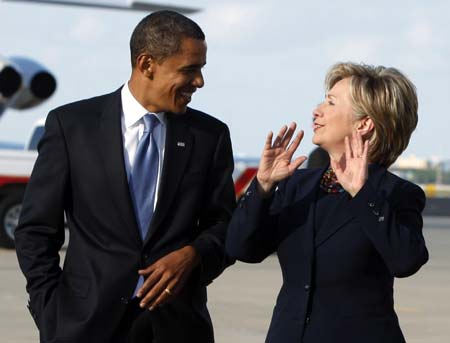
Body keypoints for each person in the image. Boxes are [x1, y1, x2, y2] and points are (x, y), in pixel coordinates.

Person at [15, 10, 236, 343]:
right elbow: (35, 229)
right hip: (84, 327)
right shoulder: (72, 127)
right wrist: (50, 310)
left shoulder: (209, 136)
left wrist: (193, 255)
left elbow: (225, 225)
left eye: (201, 70)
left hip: (176, 328)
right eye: (190, 70)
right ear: (147, 64)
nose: (199, 82)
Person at [226, 62, 428, 343]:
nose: (317, 110)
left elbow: (406, 261)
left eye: (331, 103)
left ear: (364, 124)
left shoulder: (396, 193)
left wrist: (362, 193)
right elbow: (241, 248)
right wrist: (262, 187)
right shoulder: (297, 184)